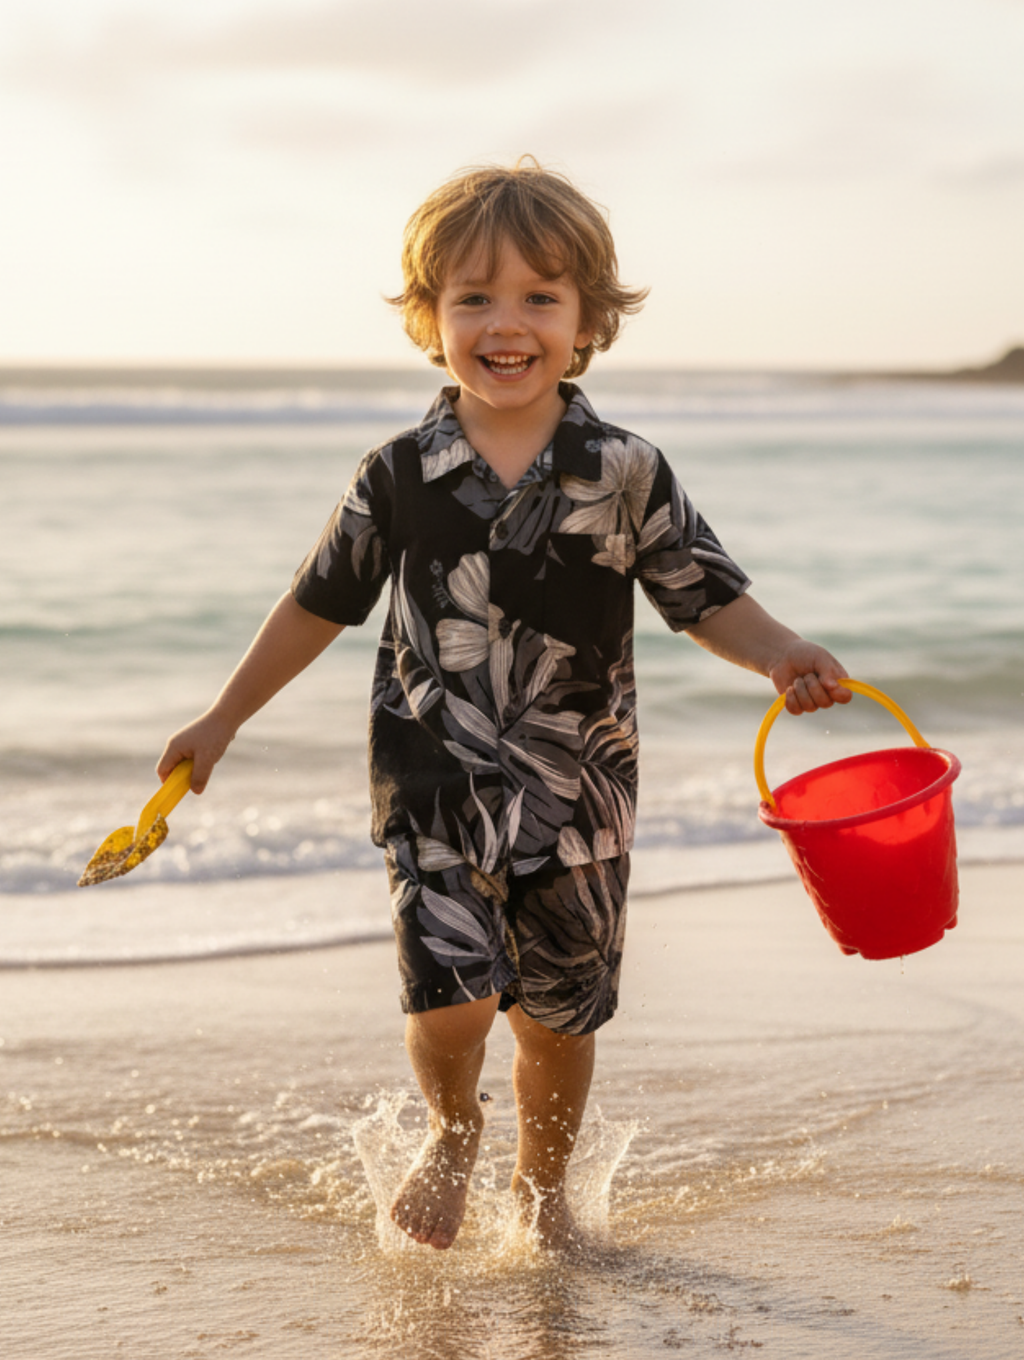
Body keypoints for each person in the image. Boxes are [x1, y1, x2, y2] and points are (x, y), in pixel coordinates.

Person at [158, 159, 850, 1253]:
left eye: (540, 296)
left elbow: (704, 597)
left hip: (581, 788)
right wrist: (223, 716)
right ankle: (450, 1128)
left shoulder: (624, 469)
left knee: (559, 1015)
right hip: (432, 779)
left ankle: (543, 1187)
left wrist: (781, 654)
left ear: (588, 320)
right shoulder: (398, 472)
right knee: (448, 997)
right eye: (472, 298)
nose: (506, 323)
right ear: (429, 320)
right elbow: (316, 603)